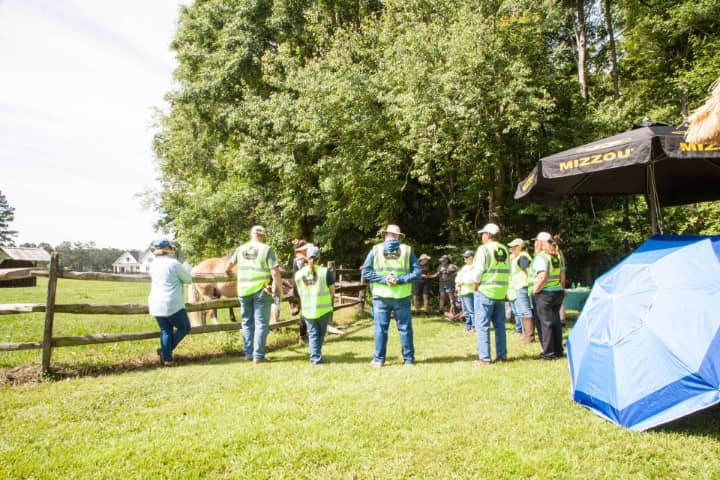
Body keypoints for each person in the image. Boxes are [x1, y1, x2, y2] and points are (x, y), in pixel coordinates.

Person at [361, 224, 422, 367]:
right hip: (402, 295)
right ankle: (409, 360)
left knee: (380, 329)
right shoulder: (407, 250)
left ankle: (378, 360)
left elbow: (366, 272)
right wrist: (400, 280)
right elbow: (417, 272)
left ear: (385, 235)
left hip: (381, 296)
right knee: (405, 328)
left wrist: (383, 280)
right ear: (399, 236)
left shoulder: (376, 250)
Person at [226, 225, 283, 363]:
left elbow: (228, 266)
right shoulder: (267, 249)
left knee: (246, 322)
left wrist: (229, 273)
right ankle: (258, 356)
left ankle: (248, 354)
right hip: (261, 290)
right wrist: (278, 288)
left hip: (243, 290)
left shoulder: (241, 249)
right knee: (261, 323)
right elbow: (275, 272)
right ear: (263, 236)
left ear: (251, 235)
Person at [148, 238, 192, 366]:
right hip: (171, 303)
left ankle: (167, 359)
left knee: (166, 330)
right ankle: (164, 352)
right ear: (167, 249)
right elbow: (188, 279)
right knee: (184, 327)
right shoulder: (174, 264)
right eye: (170, 247)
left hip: (155, 302)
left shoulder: (153, 264)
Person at [472, 223, 510, 364]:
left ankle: (485, 358)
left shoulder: (484, 249)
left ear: (488, 235)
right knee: (500, 326)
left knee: (482, 325)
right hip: (500, 292)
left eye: (483, 234)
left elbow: (478, 271)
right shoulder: (505, 249)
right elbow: (508, 271)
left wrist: (475, 285)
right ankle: (502, 356)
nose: (482, 236)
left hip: (486, 291)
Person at [294, 245, 335, 365]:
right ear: (319, 258)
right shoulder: (325, 272)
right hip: (323, 309)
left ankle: (316, 357)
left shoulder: (299, 274)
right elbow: (332, 290)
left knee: (312, 334)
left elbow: (298, 292)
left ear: (307, 258)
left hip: (307, 310)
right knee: (321, 334)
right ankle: (317, 356)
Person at [529, 231, 566, 360]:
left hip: (544, 293)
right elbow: (562, 275)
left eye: (536, 241)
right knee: (555, 322)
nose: (534, 244)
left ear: (541, 243)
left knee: (544, 324)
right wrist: (562, 288)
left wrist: (535, 290)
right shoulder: (556, 255)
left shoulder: (541, 257)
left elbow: (542, 276)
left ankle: (548, 353)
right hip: (557, 292)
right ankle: (558, 350)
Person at [507, 238, 534, 343]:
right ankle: (526, 334)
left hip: (523, 286)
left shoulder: (522, 257)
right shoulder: (519, 257)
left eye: (513, 247)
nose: (511, 249)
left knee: (524, 311)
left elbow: (528, 272)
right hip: (519, 287)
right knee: (522, 311)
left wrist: (531, 285)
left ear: (518, 247)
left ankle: (529, 336)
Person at [290, 239, 311, 343]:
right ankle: (302, 336)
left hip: (301, 289)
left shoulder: (300, 259)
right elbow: (306, 274)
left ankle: (304, 335)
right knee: (305, 313)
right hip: (302, 290)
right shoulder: (300, 260)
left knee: (306, 312)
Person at [455, 250, 476, 332]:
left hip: (470, 291)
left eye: (466, 257)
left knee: (472, 311)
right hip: (463, 291)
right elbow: (458, 276)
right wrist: (457, 283)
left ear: (471, 257)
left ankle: (474, 327)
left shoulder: (475, 266)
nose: (464, 258)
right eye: (464, 257)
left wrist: (462, 282)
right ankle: (468, 327)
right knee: (466, 311)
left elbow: (473, 278)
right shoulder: (465, 267)